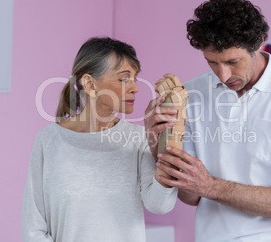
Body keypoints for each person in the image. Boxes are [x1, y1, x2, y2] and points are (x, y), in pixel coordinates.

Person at [145, 0, 271, 241]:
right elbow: (190, 196)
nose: (223, 75)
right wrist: (157, 143)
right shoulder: (191, 94)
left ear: (258, 43)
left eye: (233, 61)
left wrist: (211, 186)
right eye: (212, 62)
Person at [22, 37, 177, 242]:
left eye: (135, 78)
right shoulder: (49, 140)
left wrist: (163, 145)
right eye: (124, 79)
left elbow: (160, 205)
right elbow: (34, 229)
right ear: (89, 83)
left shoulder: (138, 138)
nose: (135, 88)